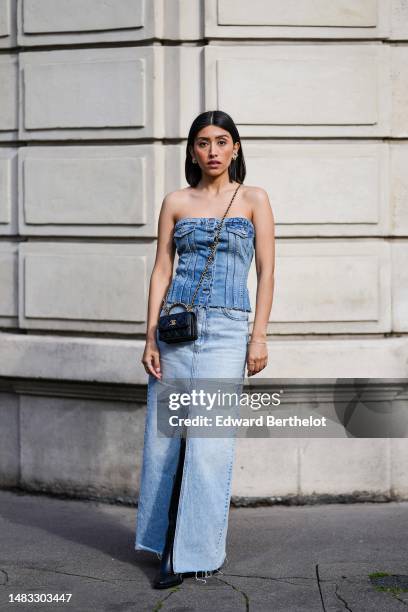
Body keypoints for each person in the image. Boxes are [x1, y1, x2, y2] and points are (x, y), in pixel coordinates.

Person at [134, 110, 275, 589]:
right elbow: (160, 270)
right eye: (202, 142)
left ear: (236, 147)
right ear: (192, 151)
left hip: (228, 330)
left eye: (221, 141)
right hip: (176, 330)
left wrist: (259, 335)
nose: (212, 150)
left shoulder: (254, 199)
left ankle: (193, 552)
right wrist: (149, 334)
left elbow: (268, 273)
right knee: (164, 440)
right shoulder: (175, 201)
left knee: (210, 445)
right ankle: (163, 540)